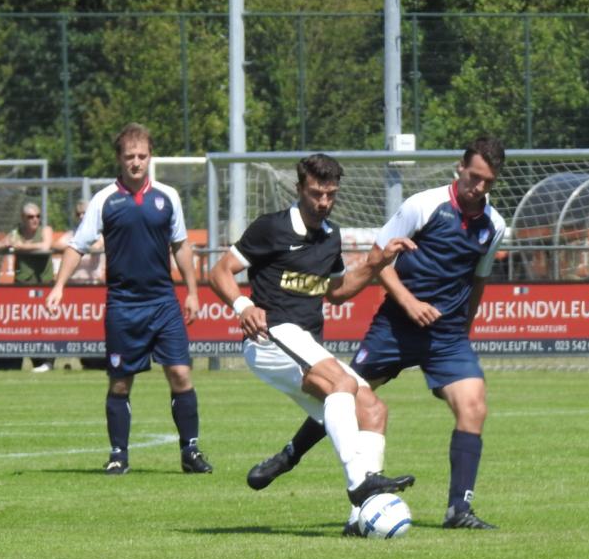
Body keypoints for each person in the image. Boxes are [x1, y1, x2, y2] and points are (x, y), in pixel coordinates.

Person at [247, 136, 508, 530]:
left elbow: (479, 280)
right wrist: (408, 302)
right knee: (344, 393)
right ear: (460, 168)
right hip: (396, 327)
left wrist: (464, 328)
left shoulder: (495, 225)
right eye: (474, 177)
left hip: (448, 335)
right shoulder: (423, 205)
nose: (479, 187)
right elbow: (379, 258)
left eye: (488, 181)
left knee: (474, 407)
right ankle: (290, 454)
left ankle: (459, 510)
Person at [207, 154, 417, 534]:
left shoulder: (330, 236)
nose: (324, 202)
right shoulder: (270, 228)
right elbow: (219, 271)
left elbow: (337, 291)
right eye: (317, 194)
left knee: (372, 408)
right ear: (300, 188)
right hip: (270, 337)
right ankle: (359, 484)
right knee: (343, 384)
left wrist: (376, 264)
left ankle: (362, 519)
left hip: (305, 342)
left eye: (331, 195)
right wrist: (242, 305)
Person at [46, 122, 212, 476]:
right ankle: (118, 454)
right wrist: (59, 285)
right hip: (123, 305)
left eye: (142, 156)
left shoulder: (168, 197)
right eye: (129, 157)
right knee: (120, 381)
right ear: (119, 160)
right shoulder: (105, 200)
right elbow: (78, 245)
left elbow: (181, 246)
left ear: (150, 157)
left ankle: (191, 451)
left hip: (163, 302)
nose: (136, 162)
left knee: (181, 374)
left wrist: (194, 292)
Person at [0, 202, 55, 372]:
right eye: (30, 217)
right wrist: (7, 244)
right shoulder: (16, 232)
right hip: (22, 286)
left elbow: (45, 246)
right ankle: (15, 363)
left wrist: (21, 247)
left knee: (45, 326)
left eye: (38, 216)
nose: (35, 220)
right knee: (22, 327)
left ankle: (46, 362)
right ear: (22, 218)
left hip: (44, 285)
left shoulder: (45, 230)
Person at [53, 200, 107, 370]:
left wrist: (76, 247)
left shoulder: (99, 233)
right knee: (70, 328)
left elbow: (97, 247)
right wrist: (77, 246)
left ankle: (95, 362)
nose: (82, 216)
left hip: (92, 287)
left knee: (94, 328)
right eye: (78, 213)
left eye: (85, 212)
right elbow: (56, 245)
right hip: (73, 288)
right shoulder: (72, 233)